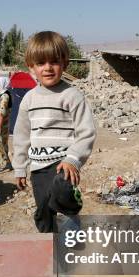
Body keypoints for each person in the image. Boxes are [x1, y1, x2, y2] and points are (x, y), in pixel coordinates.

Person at [13, 31, 96, 233]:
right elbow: (21, 136)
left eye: (54, 62)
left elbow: (86, 131)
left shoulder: (72, 96)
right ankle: (48, 240)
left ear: (65, 64)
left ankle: (73, 229)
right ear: (31, 67)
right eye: (41, 63)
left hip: (63, 164)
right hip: (38, 166)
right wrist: (20, 167)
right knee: (43, 209)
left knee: (62, 195)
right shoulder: (29, 99)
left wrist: (73, 159)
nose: (48, 68)